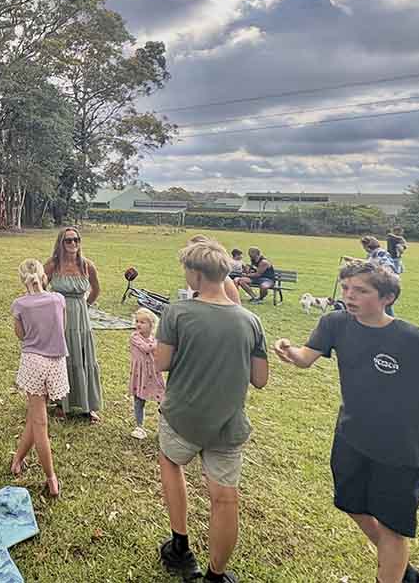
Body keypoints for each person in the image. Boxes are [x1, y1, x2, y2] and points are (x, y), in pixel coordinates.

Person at [273, 261, 419, 583]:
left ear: (387, 298)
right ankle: (401, 569)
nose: (350, 296)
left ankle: (393, 567)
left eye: (361, 291)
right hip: (351, 437)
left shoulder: (414, 339)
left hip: (401, 450)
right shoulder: (335, 323)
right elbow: (305, 359)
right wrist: (289, 351)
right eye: (346, 289)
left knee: (394, 528)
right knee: (350, 504)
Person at [154, 239, 268, 583]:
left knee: (171, 464)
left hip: (181, 418)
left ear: (195, 274)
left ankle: (180, 546)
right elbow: (260, 379)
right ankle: (216, 575)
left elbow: (162, 362)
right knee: (224, 500)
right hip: (228, 426)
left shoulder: (176, 312)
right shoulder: (251, 321)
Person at [9, 258, 68, 496]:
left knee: (40, 422)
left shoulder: (20, 304)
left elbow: (20, 335)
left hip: (33, 362)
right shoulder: (58, 299)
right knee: (36, 418)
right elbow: (61, 329)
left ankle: (51, 478)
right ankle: (18, 459)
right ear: (43, 275)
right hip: (56, 361)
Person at [43, 227, 102, 422]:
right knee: (61, 358)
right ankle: (61, 403)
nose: (73, 244)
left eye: (76, 240)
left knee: (83, 358)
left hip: (81, 318)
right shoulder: (52, 265)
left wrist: (84, 305)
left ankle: (87, 404)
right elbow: (39, 288)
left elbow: (96, 290)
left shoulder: (87, 266)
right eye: (68, 240)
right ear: (61, 243)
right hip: (58, 318)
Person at [128, 307, 163, 440]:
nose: (138, 324)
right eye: (137, 321)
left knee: (162, 399)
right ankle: (139, 426)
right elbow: (146, 348)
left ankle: (164, 428)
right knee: (139, 400)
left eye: (142, 322)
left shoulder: (153, 338)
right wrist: (159, 341)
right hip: (140, 374)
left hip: (153, 372)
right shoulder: (134, 337)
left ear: (151, 325)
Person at [343, 236, 399, 316]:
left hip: (386, 282)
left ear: (367, 246)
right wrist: (353, 260)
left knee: (384, 304)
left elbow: (382, 266)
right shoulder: (375, 253)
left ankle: (391, 323)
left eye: (363, 246)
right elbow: (370, 263)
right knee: (384, 305)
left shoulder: (379, 253)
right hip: (384, 282)